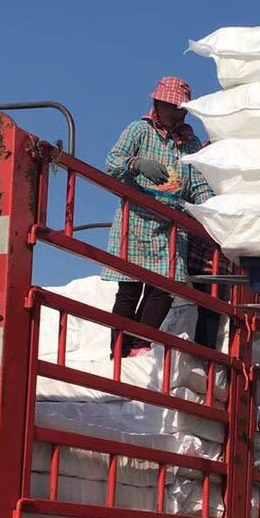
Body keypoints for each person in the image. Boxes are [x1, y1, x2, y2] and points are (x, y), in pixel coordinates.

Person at [102, 77, 214, 356]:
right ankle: (119, 349)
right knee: (129, 288)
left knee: (165, 286)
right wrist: (137, 164)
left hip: (171, 224)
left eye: (178, 108)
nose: (173, 112)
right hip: (136, 219)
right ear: (156, 103)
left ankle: (140, 342)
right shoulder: (139, 131)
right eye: (168, 106)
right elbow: (113, 162)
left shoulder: (190, 144)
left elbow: (197, 183)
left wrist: (210, 207)